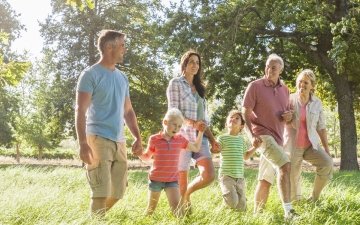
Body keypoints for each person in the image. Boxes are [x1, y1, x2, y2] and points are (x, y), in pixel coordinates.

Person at [75, 30, 143, 217]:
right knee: (100, 192)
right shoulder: (90, 74)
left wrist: (137, 137)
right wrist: (82, 143)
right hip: (97, 138)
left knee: (118, 191)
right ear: (109, 47)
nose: (125, 49)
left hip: (119, 140)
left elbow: (128, 111)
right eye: (122, 45)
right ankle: (97, 218)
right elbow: (80, 110)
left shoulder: (122, 78)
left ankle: (93, 218)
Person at [242, 53, 297, 219]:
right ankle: (289, 212)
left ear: (280, 69)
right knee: (285, 166)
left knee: (265, 179)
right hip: (262, 135)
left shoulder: (285, 89)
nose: (269, 69)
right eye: (267, 66)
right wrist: (251, 135)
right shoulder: (255, 86)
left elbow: (287, 115)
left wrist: (289, 116)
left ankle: (256, 216)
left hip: (278, 138)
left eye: (273, 67)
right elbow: (245, 112)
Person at [166, 50, 220, 210]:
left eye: (197, 63)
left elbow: (204, 119)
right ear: (184, 64)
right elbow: (173, 112)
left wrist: (212, 139)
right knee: (182, 178)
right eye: (191, 62)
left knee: (209, 175)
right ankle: (183, 214)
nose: (195, 65)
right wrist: (192, 123)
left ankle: (187, 194)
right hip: (182, 137)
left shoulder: (200, 89)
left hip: (201, 137)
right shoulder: (176, 83)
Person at [139, 108, 206, 216]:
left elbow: (196, 148)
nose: (177, 128)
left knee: (178, 211)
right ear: (165, 122)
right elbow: (147, 157)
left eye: (179, 126)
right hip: (156, 179)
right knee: (150, 210)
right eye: (174, 124)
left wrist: (201, 132)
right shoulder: (154, 139)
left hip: (172, 180)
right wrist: (139, 153)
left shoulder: (180, 139)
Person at [284, 69, 333, 202]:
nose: (302, 85)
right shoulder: (289, 99)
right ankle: (296, 205)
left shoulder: (317, 103)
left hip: (310, 145)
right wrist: (285, 118)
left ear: (312, 85)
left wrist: (327, 150)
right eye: (300, 81)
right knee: (293, 177)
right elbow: (279, 119)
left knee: (327, 163)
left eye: (306, 82)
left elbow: (321, 128)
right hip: (293, 146)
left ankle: (314, 198)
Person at [217, 109, 260, 211]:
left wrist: (255, 147)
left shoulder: (241, 140)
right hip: (226, 175)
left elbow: (245, 156)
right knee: (232, 201)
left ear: (241, 126)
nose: (233, 119)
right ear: (227, 123)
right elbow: (215, 150)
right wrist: (213, 148)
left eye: (237, 118)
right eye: (231, 117)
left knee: (242, 206)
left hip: (239, 177)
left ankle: (233, 213)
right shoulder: (222, 138)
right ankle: (223, 208)